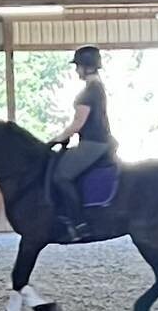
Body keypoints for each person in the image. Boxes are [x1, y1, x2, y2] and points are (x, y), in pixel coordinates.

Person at [48, 46, 115, 241]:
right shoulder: (97, 88)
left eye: (78, 66)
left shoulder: (89, 92)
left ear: (86, 67)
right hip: (99, 141)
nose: (76, 71)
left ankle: (79, 223)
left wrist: (59, 137)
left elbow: (79, 123)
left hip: (93, 143)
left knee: (61, 176)